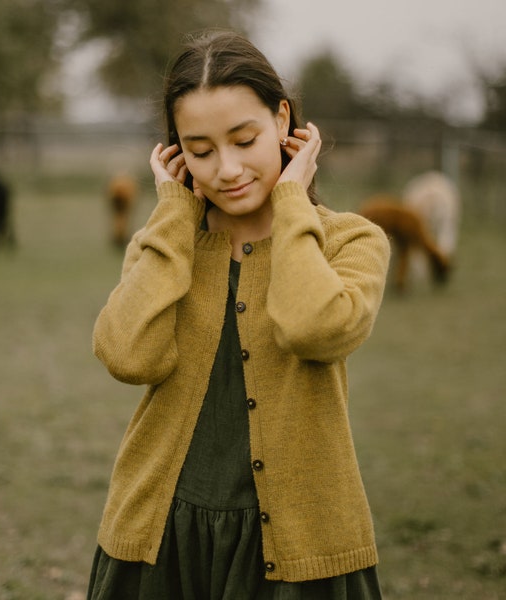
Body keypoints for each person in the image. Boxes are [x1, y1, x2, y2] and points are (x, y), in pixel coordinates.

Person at [87, 29, 390, 600]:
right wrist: (174, 214)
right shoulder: (164, 245)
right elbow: (128, 355)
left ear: (282, 121)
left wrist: (292, 201)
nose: (226, 169)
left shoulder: (350, 241)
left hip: (304, 544)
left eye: (244, 139)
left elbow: (315, 328)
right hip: (160, 537)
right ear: (176, 152)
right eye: (200, 151)